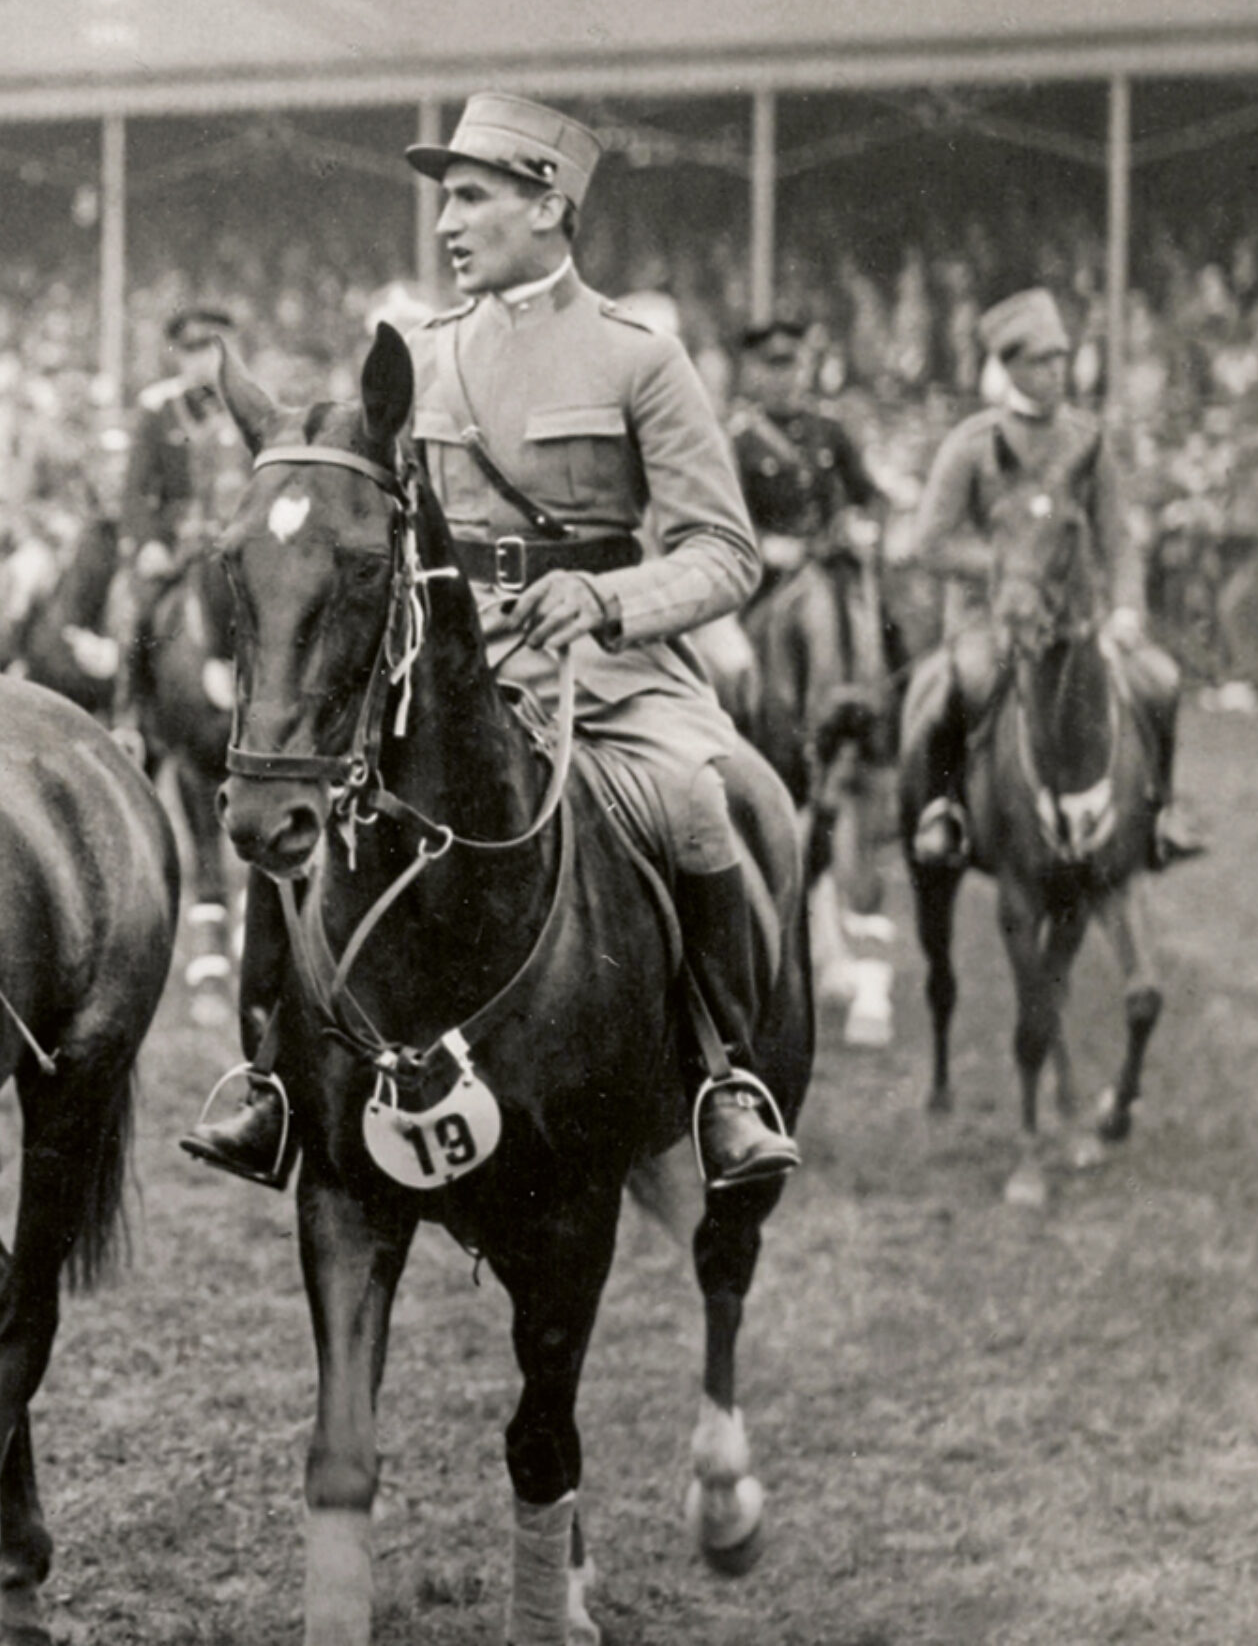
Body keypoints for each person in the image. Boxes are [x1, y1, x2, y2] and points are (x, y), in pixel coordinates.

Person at [182, 92, 800, 1193]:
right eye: (445, 202)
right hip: (443, 673)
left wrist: (609, 603)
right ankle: (270, 1081)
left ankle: (722, 1080)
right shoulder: (413, 354)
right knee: (306, 816)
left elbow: (724, 551)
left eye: (472, 198)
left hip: (606, 669)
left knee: (712, 800)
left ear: (550, 205)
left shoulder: (639, 358)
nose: (448, 224)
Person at [902, 287, 1201, 870]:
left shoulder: (1087, 442)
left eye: (1061, 357)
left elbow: (1118, 540)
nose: (1057, 370)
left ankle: (1159, 813)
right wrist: (1004, 566)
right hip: (990, 620)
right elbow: (930, 542)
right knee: (963, 684)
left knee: (1160, 681)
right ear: (1010, 366)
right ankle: (946, 810)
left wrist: (1126, 611)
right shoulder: (971, 445)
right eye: (1042, 360)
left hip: (1077, 623)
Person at [731, 317, 892, 722]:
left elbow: (871, 496)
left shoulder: (829, 429)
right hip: (771, 581)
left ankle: (876, 717)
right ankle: (808, 721)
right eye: (774, 366)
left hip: (833, 561)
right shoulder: (741, 441)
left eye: (794, 365)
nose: (786, 378)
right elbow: (732, 521)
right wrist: (769, 546)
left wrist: (861, 525)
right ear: (754, 373)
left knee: (884, 626)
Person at [106, 306, 249, 737]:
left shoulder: (248, 408)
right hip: (175, 545)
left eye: (211, 348)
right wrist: (147, 543)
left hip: (237, 541)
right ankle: (129, 720)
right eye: (191, 350)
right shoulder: (158, 409)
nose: (201, 359)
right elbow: (135, 491)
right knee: (138, 614)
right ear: (179, 356)